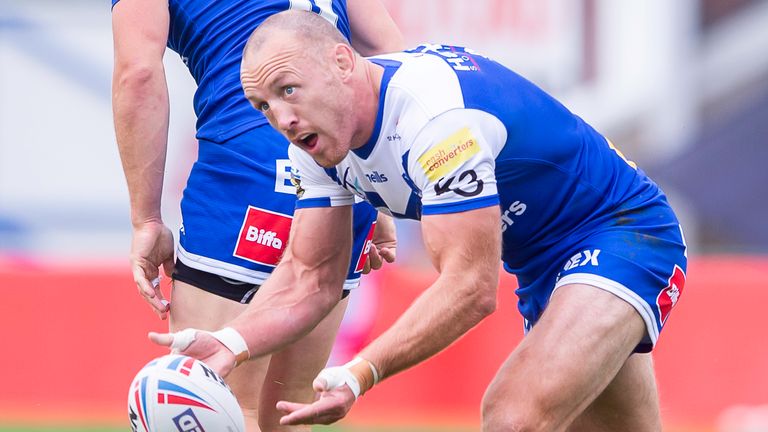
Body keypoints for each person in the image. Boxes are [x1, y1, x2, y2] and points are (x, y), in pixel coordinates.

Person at [150, 10, 688, 431]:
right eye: (262, 105)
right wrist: (230, 344)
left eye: (288, 89)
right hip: (546, 264)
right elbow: (312, 278)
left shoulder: (436, 121)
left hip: (622, 232)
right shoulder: (317, 148)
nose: (281, 120)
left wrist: (361, 372)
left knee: (511, 418)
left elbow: (471, 288)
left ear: (342, 62)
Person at [110, 2, 402, 430]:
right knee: (293, 413)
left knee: (220, 404)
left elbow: (138, 74)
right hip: (340, 166)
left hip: (248, 166)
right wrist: (379, 184)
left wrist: (146, 221)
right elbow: (387, 53)